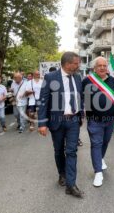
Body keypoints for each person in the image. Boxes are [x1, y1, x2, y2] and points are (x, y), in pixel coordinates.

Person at [38, 52, 84, 198]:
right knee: (58, 151)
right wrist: (42, 123)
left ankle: (71, 184)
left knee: (71, 151)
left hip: (73, 121)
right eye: (76, 63)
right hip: (56, 121)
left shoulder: (77, 77)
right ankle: (62, 174)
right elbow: (43, 100)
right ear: (67, 64)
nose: (78, 66)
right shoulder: (50, 77)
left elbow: (80, 97)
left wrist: (81, 111)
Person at [82, 57, 114, 187]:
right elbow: (82, 98)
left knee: (105, 142)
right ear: (95, 68)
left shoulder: (113, 81)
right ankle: (98, 172)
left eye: (104, 65)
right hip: (94, 120)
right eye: (100, 66)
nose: (102, 68)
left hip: (110, 119)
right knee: (96, 144)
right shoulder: (87, 81)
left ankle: (100, 159)